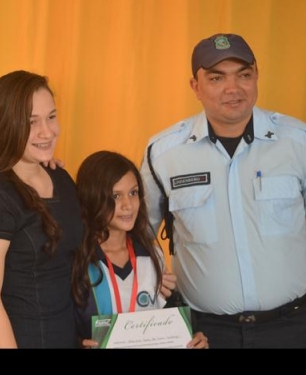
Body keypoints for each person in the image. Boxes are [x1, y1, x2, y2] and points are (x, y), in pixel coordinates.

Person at [140, 33, 306, 348]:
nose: (233, 88)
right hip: (206, 333)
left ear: (256, 76)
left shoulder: (298, 142)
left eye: (243, 75)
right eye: (216, 78)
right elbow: (137, 233)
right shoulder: (163, 153)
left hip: (294, 328)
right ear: (195, 86)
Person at [0, 70, 83, 348]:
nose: (47, 132)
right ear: (5, 125)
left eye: (51, 117)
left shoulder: (61, 179)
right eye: (32, 122)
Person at [72, 150, 208, 348]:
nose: (128, 205)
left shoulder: (152, 255)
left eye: (133, 193)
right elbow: (62, 326)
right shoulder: (77, 261)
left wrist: (193, 336)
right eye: (115, 196)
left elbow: (170, 321)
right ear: (91, 198)